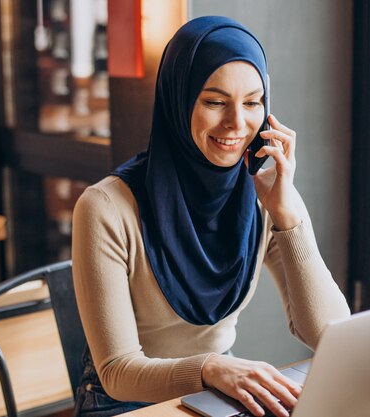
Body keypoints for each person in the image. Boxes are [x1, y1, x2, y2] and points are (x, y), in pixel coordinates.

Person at [71, 16, 350, 417]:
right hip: (122, 402)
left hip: (216, 391)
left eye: (253, 102)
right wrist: (211, 367)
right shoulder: (104, 207)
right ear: (179, 100)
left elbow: (329, 336)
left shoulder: (267, 194)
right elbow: (117, 371)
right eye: (216, 102)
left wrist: (287, 215)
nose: (238, 124)